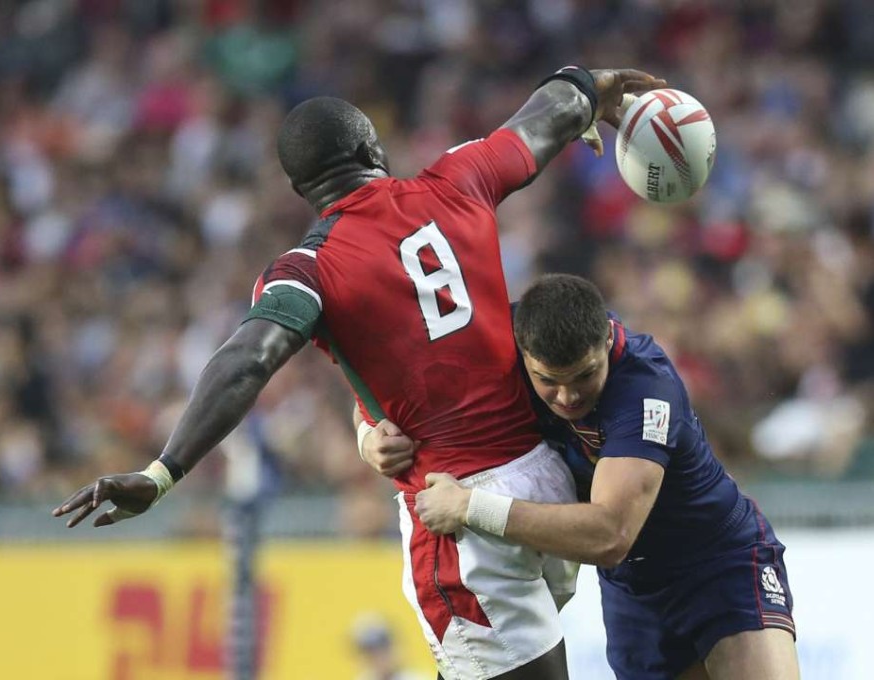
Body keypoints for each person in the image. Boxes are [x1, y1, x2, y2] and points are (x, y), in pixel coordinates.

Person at [52, 67, 666, 680]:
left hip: (460, 518)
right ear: (372, 149)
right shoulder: (458, 179)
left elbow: (248, 358)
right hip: (549, 481)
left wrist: (163, 471)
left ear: (300, 188)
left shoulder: (310, 270)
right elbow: (543, 116)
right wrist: (594, 87)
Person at [364, 274, 799, 680]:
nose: (568, 396)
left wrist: (470, 507)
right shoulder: (493, 347)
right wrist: (369, 437)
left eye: (586, 375)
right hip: (632, 588)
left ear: (607, 337)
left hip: (718, 562)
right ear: (520, 350)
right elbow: (390, 383)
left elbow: (611, 533)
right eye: (548, 380)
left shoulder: (645, 390)